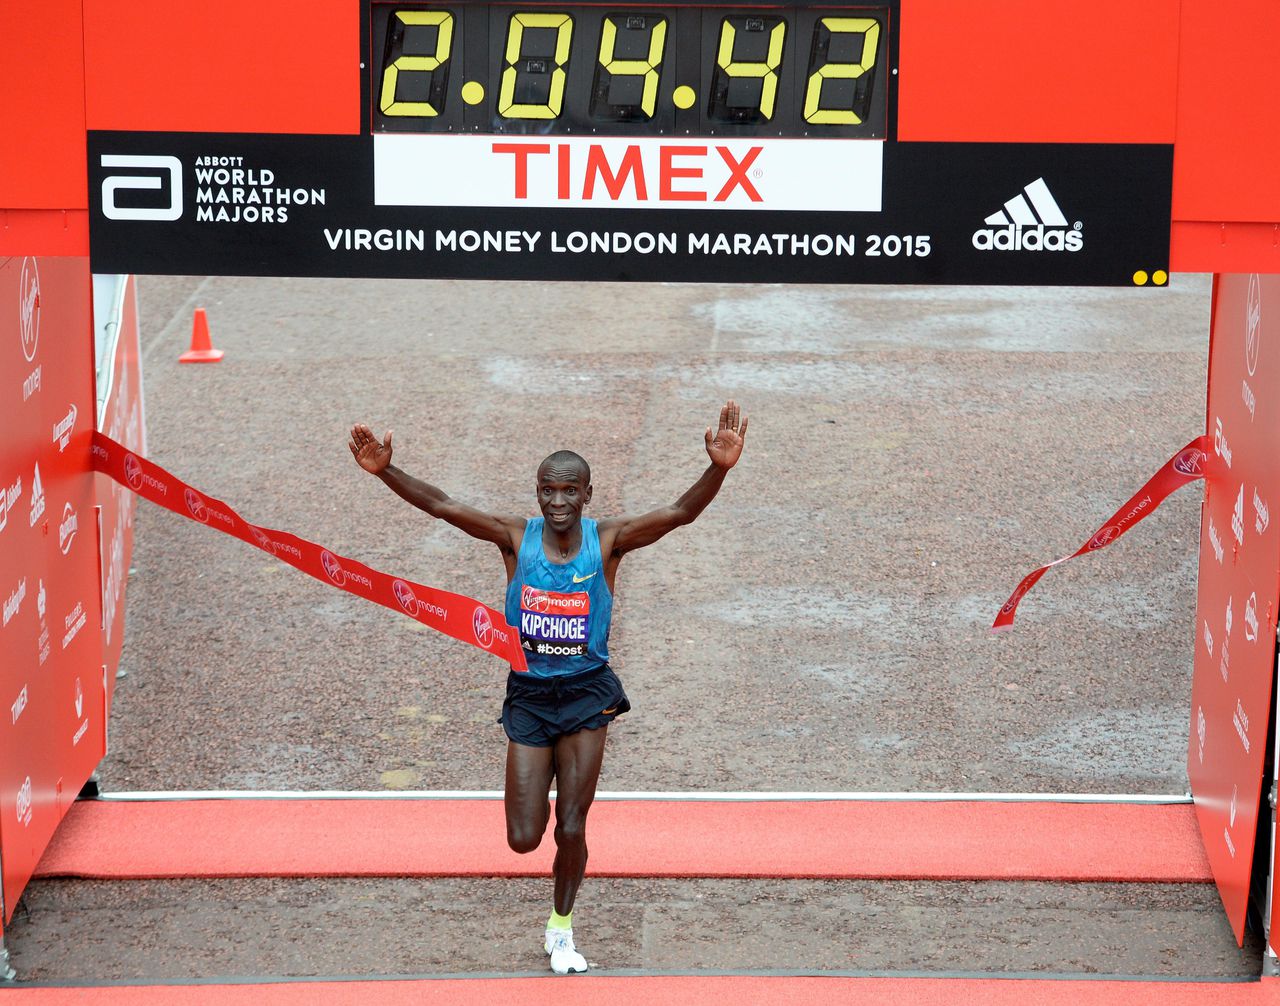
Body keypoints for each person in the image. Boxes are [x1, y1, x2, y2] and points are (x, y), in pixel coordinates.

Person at [348, 400, 747, 974]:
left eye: (569, 492)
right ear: (537, 493)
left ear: (587, 493)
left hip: (587, 696)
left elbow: (681, 512)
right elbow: (442, 506)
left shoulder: (609, 541)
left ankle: (561, 928)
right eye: (547, 492)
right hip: (531, 699)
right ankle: (550, 874)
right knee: (523, 837)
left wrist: (719, 469)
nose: (557, 504)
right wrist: (386, 471)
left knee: (573, 824)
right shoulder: (515, 538)